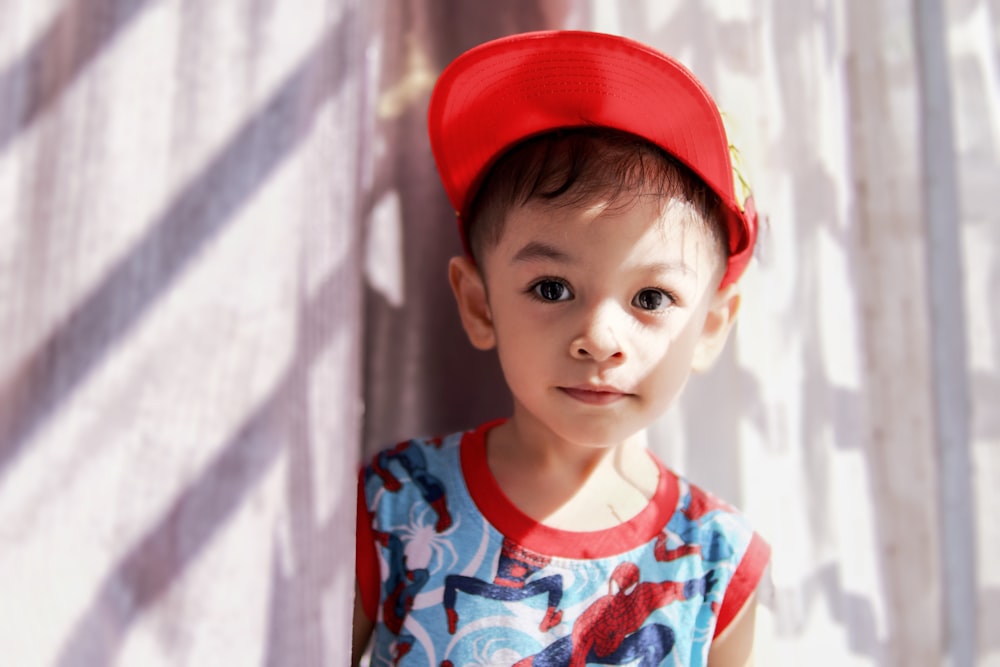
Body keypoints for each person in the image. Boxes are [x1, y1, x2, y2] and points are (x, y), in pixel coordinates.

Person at [353, 30, 770, 666]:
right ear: (478, 304)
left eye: (652, 299)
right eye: (552, 288)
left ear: (711, 326)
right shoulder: (396, 505)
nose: (600, 338)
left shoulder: (716, 562)